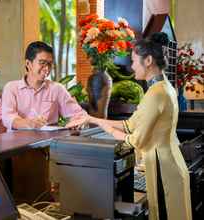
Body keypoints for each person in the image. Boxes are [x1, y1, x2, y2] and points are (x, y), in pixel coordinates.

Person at [67, 32, 192, 220]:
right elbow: (130, 124)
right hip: (168, 162)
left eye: (134, 60)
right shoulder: (163, 87)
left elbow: (135, 140)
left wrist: (107, 129)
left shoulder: (156, 94)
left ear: (148, 60)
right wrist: (91, 119)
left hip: (163, 169)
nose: (132, 66)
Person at [2, 41, 87, 130]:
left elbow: (78, 114)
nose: (47, 69)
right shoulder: (11, 88)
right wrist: (29, 123)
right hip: (17, 142)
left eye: (49, 64)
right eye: (42, 63)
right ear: (28, 63)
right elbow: (8, 118)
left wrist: (77, 120)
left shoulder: (57, 89)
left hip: (48, 141)